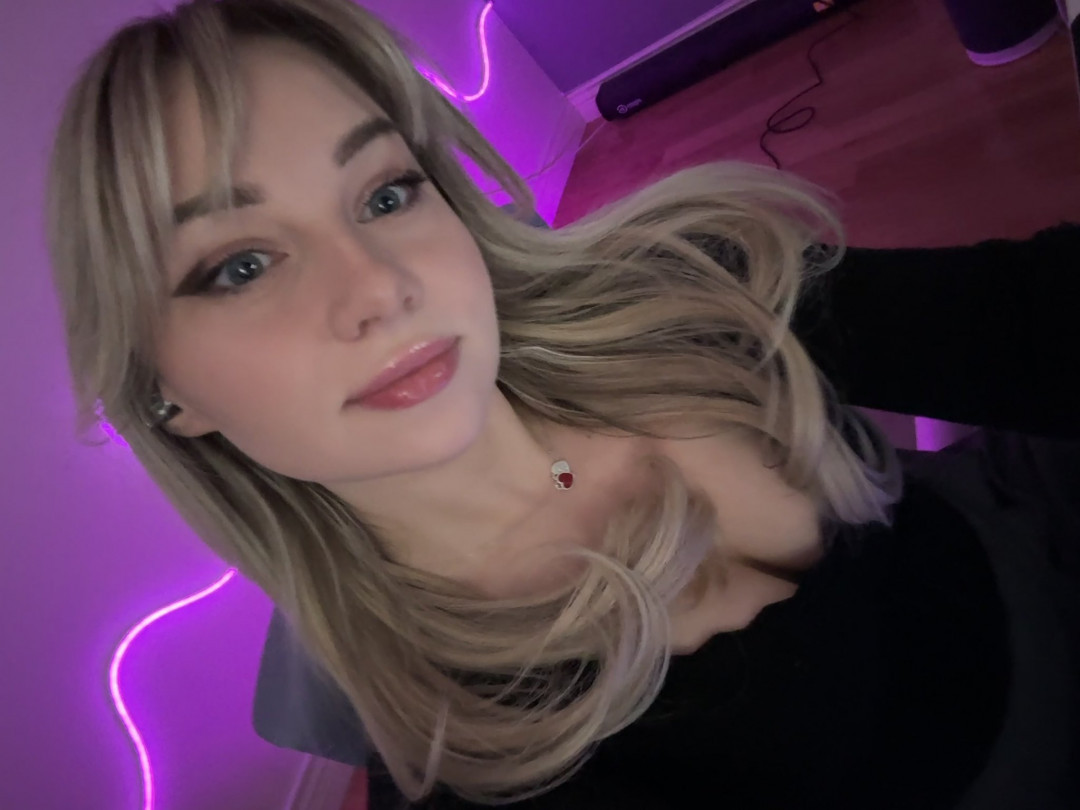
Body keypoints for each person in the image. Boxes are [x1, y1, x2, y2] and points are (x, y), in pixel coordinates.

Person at [45, 0, 1079, 807]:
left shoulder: (683, 291)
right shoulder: (484, 766)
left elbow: (1028, 318)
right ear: (164, 394)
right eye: (240, 265)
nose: (381, 289)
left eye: (386, 194)